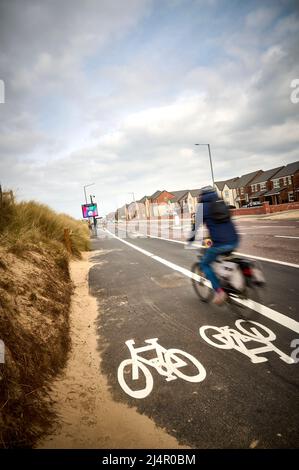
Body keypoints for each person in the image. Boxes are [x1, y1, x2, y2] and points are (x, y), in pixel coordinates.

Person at [188, 186, 239, 305]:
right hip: (234, 240)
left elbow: (195, 226)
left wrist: (191, 239)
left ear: (201, 196)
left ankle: (220, 291)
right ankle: (229, 281)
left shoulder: (202, 207)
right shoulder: (221, 202)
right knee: (224, 257)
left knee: (205, 264)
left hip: (219, 242)